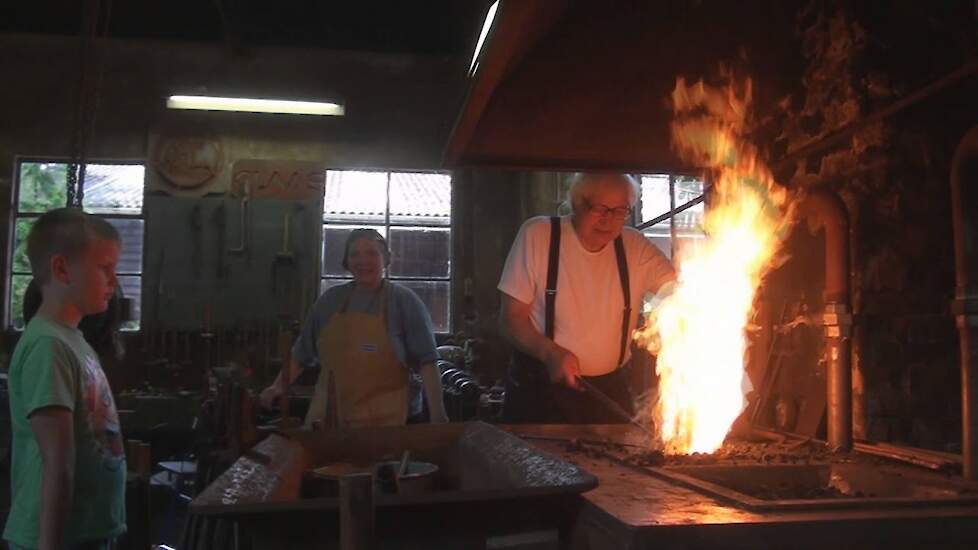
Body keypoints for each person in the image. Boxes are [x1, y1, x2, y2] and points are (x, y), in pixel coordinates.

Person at [498, 173, 677, 424]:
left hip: (610, 392)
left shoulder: (634, 247)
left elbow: (679, 293)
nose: (608, 219)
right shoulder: (539, 235)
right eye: (599, 208)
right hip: (540, 390)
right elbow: (511, 319)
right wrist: (550, 353)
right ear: (577, 203)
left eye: (619, 210)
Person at [5, 208, 126, 550]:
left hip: (88, 532)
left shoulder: (73, 339)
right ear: (61, 269)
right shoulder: (48, 345)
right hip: (60, 539)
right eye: (105, 268)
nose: (113, 281)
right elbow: (58, 461)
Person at [260, 228, 448, 428]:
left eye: (371, 253)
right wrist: (276, 387)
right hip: (328, 421)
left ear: (385, 259)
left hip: (389, 425)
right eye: (354, 254)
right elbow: (301, 354)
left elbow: (427, 362)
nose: (363, 261)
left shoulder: (404, 301)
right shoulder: (329, 302)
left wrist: (438, 415)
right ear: (346, 261)